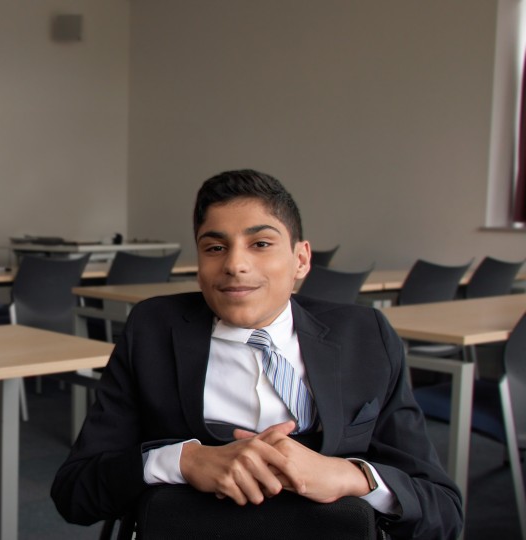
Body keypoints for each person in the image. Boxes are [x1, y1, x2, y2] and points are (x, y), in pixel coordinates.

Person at [51, 170, 462, 539]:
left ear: (301, 259)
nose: (235, 265)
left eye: (261, 243)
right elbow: (75, 493)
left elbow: (443, 511)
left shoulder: (365, 335)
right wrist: (181, 461)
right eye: (214, 248)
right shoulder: (152, 331)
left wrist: (351, 477)